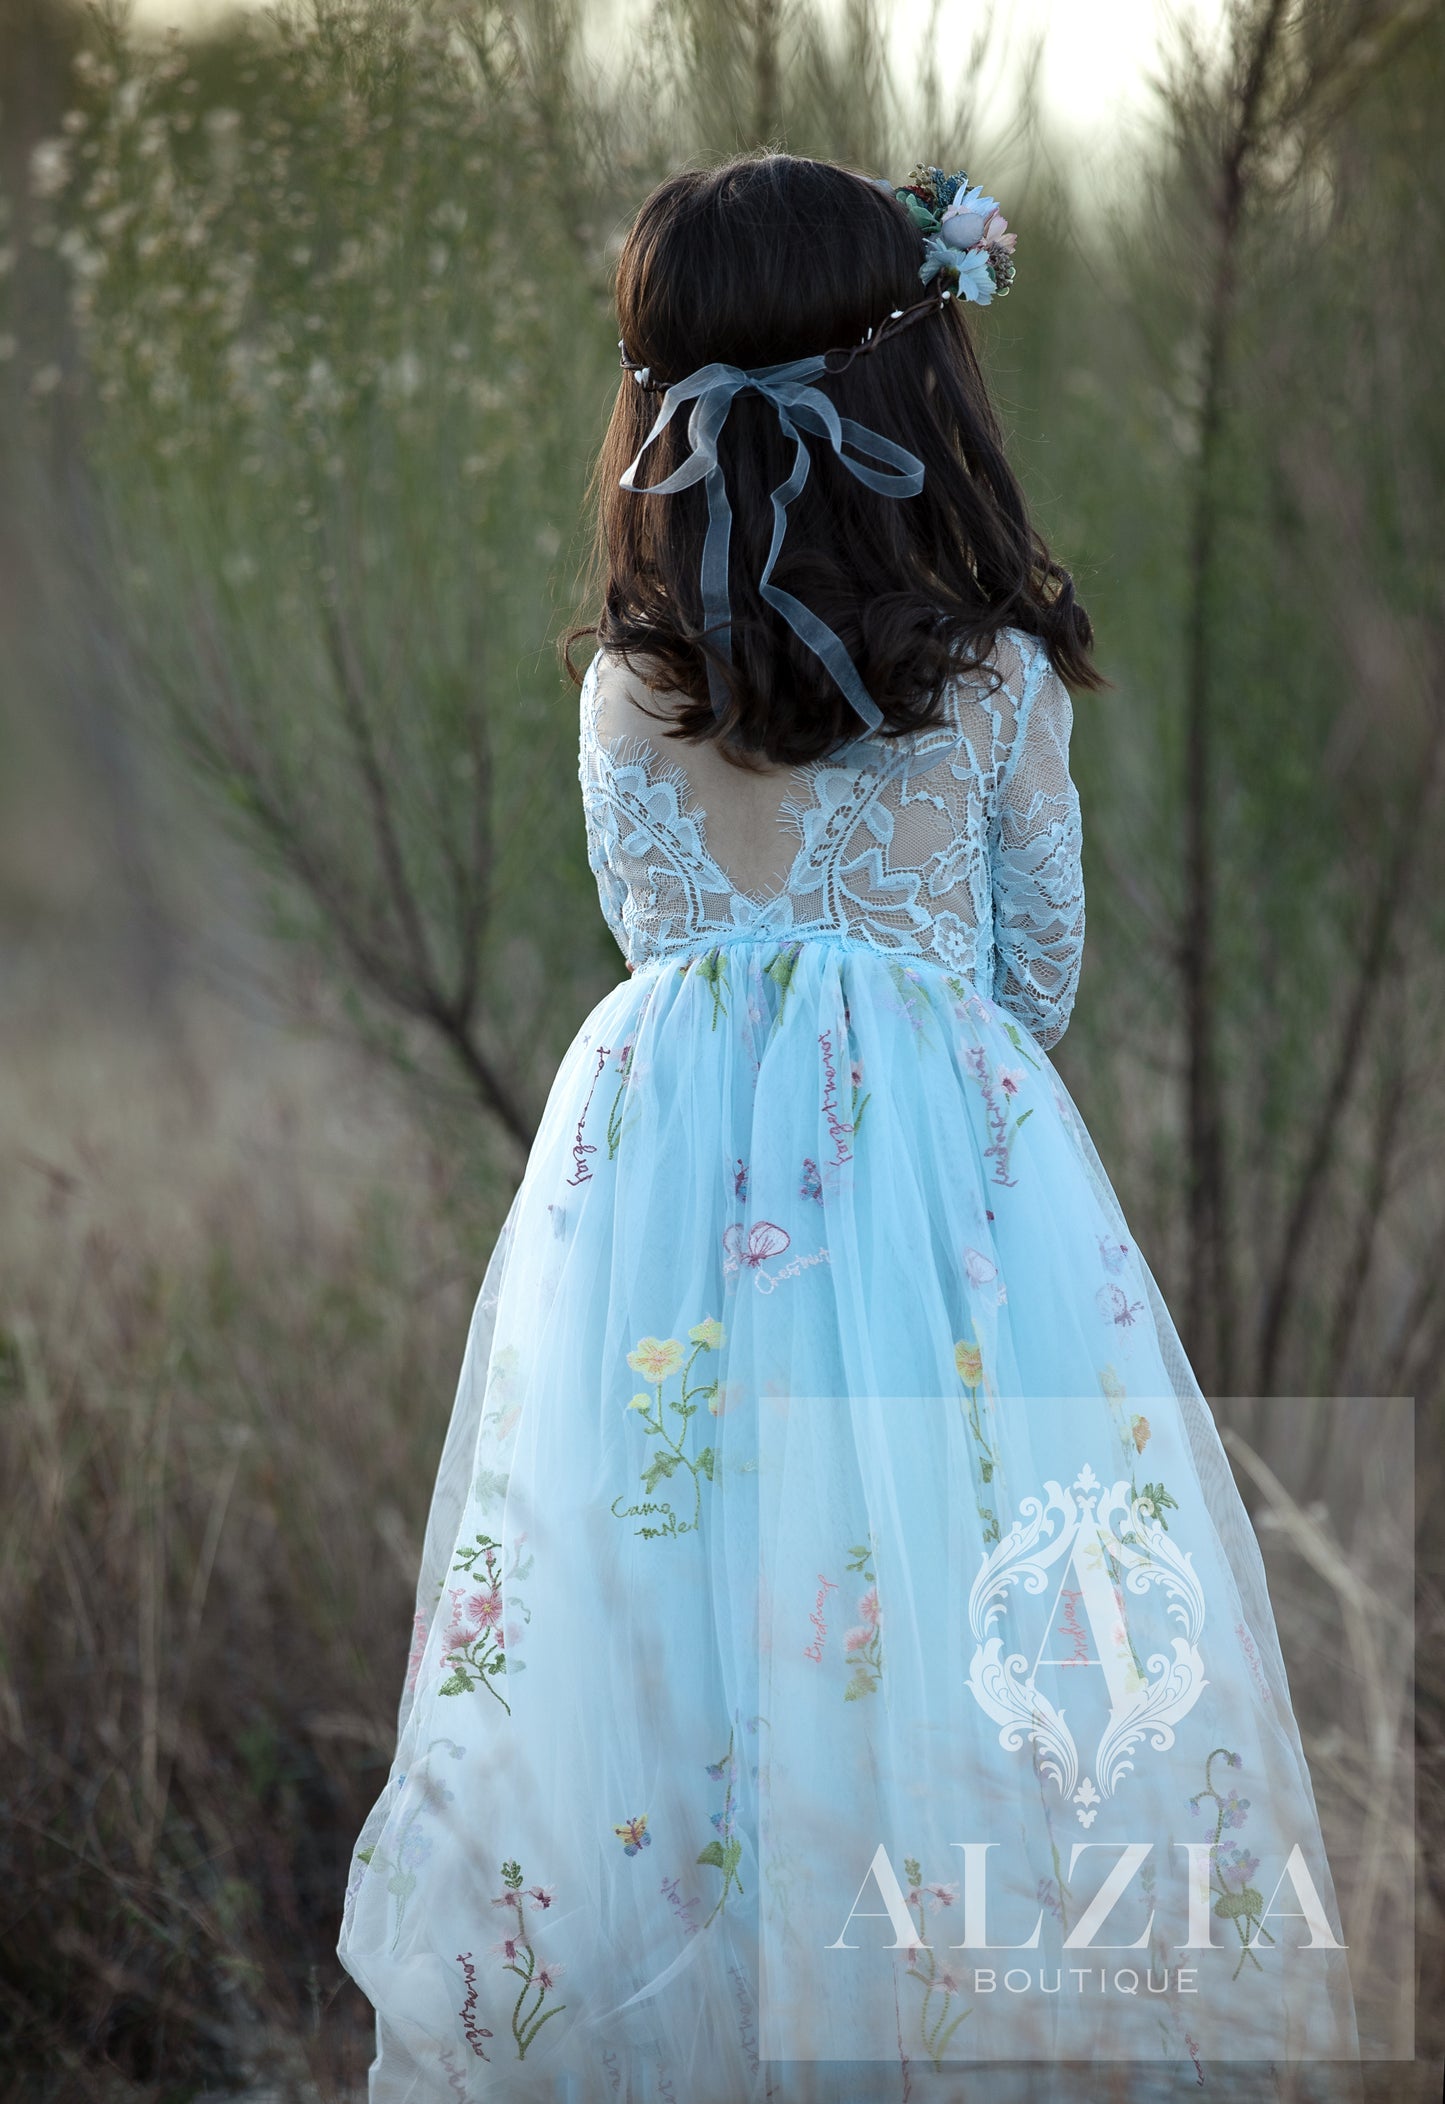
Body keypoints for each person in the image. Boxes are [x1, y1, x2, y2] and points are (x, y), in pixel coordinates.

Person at [337, 152, 1361, 2104]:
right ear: (918, 397)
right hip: (947, 1237)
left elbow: (659, 923)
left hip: (657, 1243)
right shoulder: (983, 681)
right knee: (964, 1626)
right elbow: (1032, 975)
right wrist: (897, 1047)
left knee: (670, 1648)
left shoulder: (629, 699)